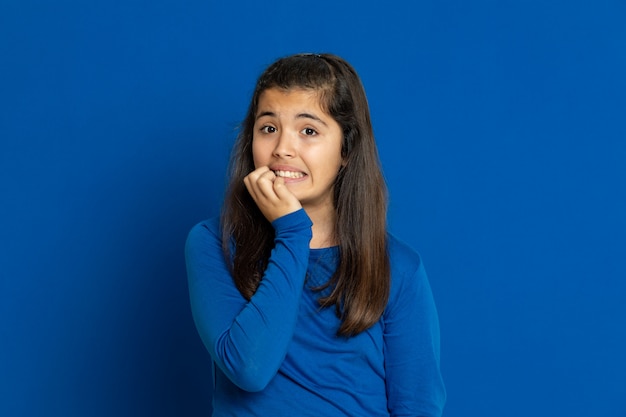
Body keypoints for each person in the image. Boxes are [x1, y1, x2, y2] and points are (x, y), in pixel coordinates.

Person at [185, 53, 446, 416]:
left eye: (308, 131)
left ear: (347, 150)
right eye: (268, 128)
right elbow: (249, 368)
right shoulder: (213, 243)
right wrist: (292, 231)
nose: (282, 149)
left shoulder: (397, 268)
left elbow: (417, 405)